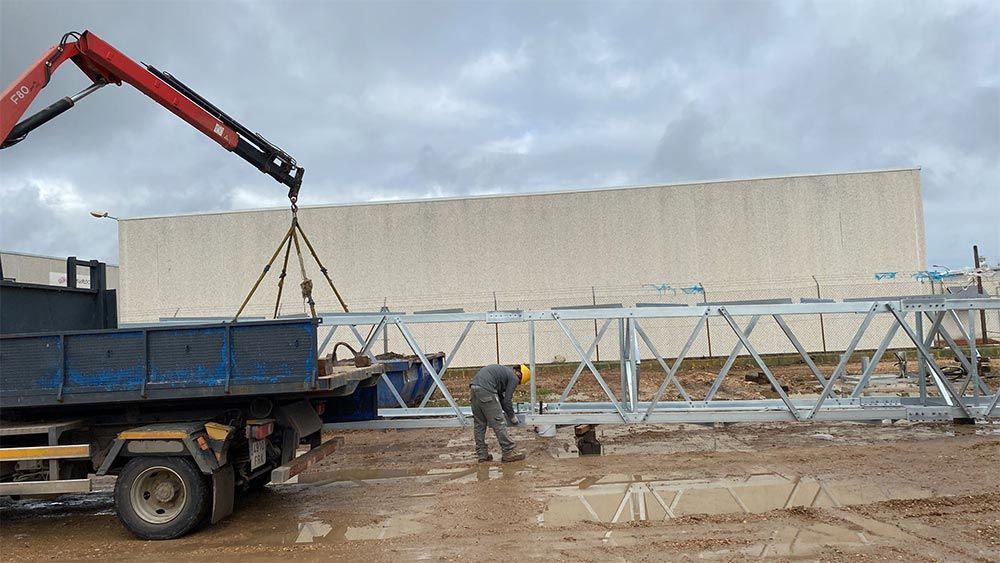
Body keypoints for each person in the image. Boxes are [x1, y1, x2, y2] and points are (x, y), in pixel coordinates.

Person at [469, 363, 530, 463]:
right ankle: (508, 451)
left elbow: (501, 398)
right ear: (520, 377)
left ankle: (482, 454)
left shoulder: (504, 373)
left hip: (474, 388)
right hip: (486, 390)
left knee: (479, 424)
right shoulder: (514, 378)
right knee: (499, 422)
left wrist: (505, 410)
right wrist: (512, 416)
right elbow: (507, 400)